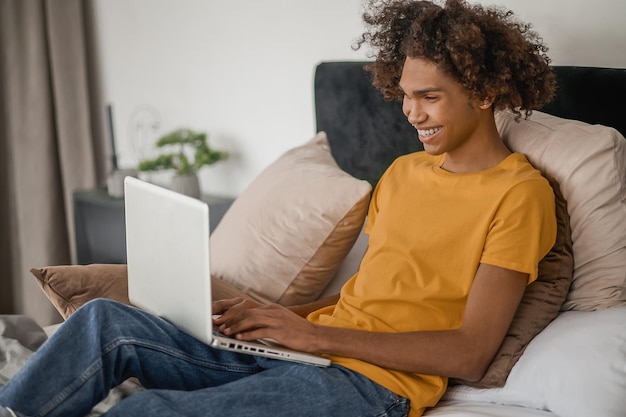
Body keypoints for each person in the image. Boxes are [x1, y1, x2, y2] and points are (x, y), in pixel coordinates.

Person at [0, 1, 558, 416]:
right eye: (405, 95)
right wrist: (283, 321)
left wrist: (316, 337)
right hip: (303, 353)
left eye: (429, 97)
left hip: (371, 387)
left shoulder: (519, 196)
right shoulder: (404, 172)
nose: (411, 113)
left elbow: (470, 353)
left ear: (483, 93)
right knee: (105, 321)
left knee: (144, 412)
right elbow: (370, 293)